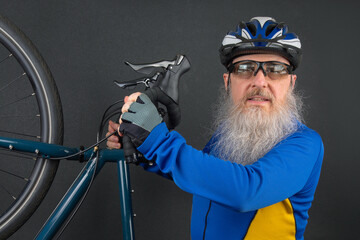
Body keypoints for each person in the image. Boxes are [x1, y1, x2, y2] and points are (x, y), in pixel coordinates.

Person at [107, 17, 324, 240]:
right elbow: (204, 176)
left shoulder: (305, 143)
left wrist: (157, 141)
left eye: (276, 69)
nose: (259, 82)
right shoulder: (231, 134)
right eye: (245, 68)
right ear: (228, 82)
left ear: (291, 83)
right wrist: (144, 148)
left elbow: (246, 191)